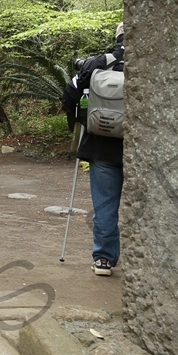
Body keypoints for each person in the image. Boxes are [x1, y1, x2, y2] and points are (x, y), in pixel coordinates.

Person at [64, 21, 125, 275]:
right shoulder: (157, 62)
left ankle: (104, 259)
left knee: (105, 206)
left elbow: (69, 95)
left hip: (101, 147)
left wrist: (81, 123)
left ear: (117, 38)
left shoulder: (95, 63)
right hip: (143, 149)